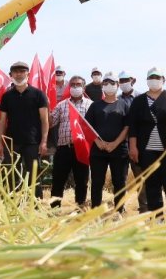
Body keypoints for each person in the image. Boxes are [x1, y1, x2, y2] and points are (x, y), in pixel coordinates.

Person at [128, 67, 166, 221]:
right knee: (152, 185)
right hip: (147, 151)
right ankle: (157, 219)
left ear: (163, 80)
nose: (154, 79)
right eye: (151, 77)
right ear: (147, 80)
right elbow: (132, 127)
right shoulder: (138, 101)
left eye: (157, 77)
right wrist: (133, 147)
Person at [0, 61, 49, 198]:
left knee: (33, 174)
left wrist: (43, 142)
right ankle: (10, 203)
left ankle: (36, 205)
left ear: (28, 74)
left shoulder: (38, 94)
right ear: (11, 75)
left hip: (33, 142)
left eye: (22, 71)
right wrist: (0, 143)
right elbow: (2, 122)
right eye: (15, 72)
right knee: (9, 174)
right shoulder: (6, 96)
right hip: (11, 142)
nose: (19, 74)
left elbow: (45, 120)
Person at [85, 72, 130, 211]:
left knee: (119, 182)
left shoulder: (124, 104)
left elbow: (127, 127)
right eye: (105, 83)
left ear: (117, 86)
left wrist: (114, 144)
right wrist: (99, 142)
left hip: (119, 150)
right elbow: (87, 126)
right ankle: (95, 211)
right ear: (102, 87)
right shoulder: (95, 106)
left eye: (112, 83)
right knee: (97, 182)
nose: (108, 86)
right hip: (98, 150)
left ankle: (119, 210)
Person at [48, 76, 92, 208]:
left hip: (82, 149)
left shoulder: (91, 105)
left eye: (78, 85)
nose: (75, 87)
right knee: (58, 180)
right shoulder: (62, 105)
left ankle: (80, 207)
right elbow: (51, 123)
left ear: (83, 88)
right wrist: (46, 107)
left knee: (81, 181)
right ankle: (54, 209)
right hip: (63, 148)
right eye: (72, 85)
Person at [118, 69, 147, 212]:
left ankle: (145, 208)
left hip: (139, 145)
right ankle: (120, 209)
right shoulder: (116, 100)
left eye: (126, 80)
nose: (124, 83)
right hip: (121, 145)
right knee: (120, 180)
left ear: (133, 81)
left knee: (141, 178)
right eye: (121, 81)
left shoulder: (142, 98)